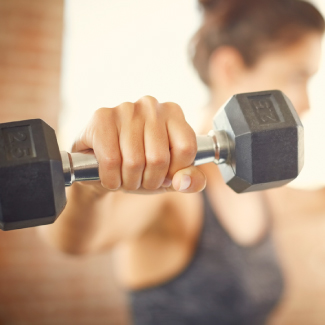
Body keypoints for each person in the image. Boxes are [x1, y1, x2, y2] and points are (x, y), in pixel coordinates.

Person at [40, 0, 325, 324]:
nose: (307, 103)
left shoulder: (259, 186)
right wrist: (91, 190)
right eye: (297, 77)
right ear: (229, 68)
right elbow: (75, 240)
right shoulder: (175, 186)